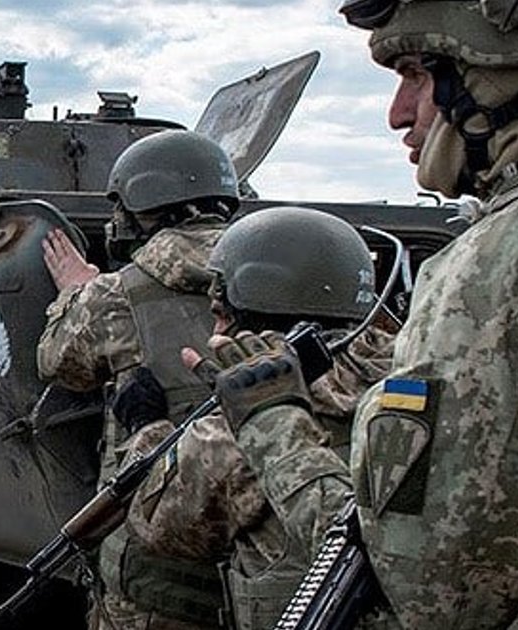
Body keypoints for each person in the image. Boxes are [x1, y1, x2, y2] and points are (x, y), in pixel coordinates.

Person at [195, 0, 518, 626]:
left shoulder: (515, 259)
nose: (399, 113)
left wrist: (274, 425)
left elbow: (439, 599)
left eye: (416, 75)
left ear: (504, 65)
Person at [116, 206, 392, 630]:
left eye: (221, 312)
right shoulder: (409, 368)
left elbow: (156, 525)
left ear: (246, 311)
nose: (215, 327)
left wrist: (148, 429)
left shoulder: (240, 426)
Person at [37, 129, 238, 629]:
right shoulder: (276, 271)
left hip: (157, 566)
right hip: (269, 564)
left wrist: (77, 292)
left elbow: (58, 362)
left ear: (138, 210)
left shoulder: (115, 295)